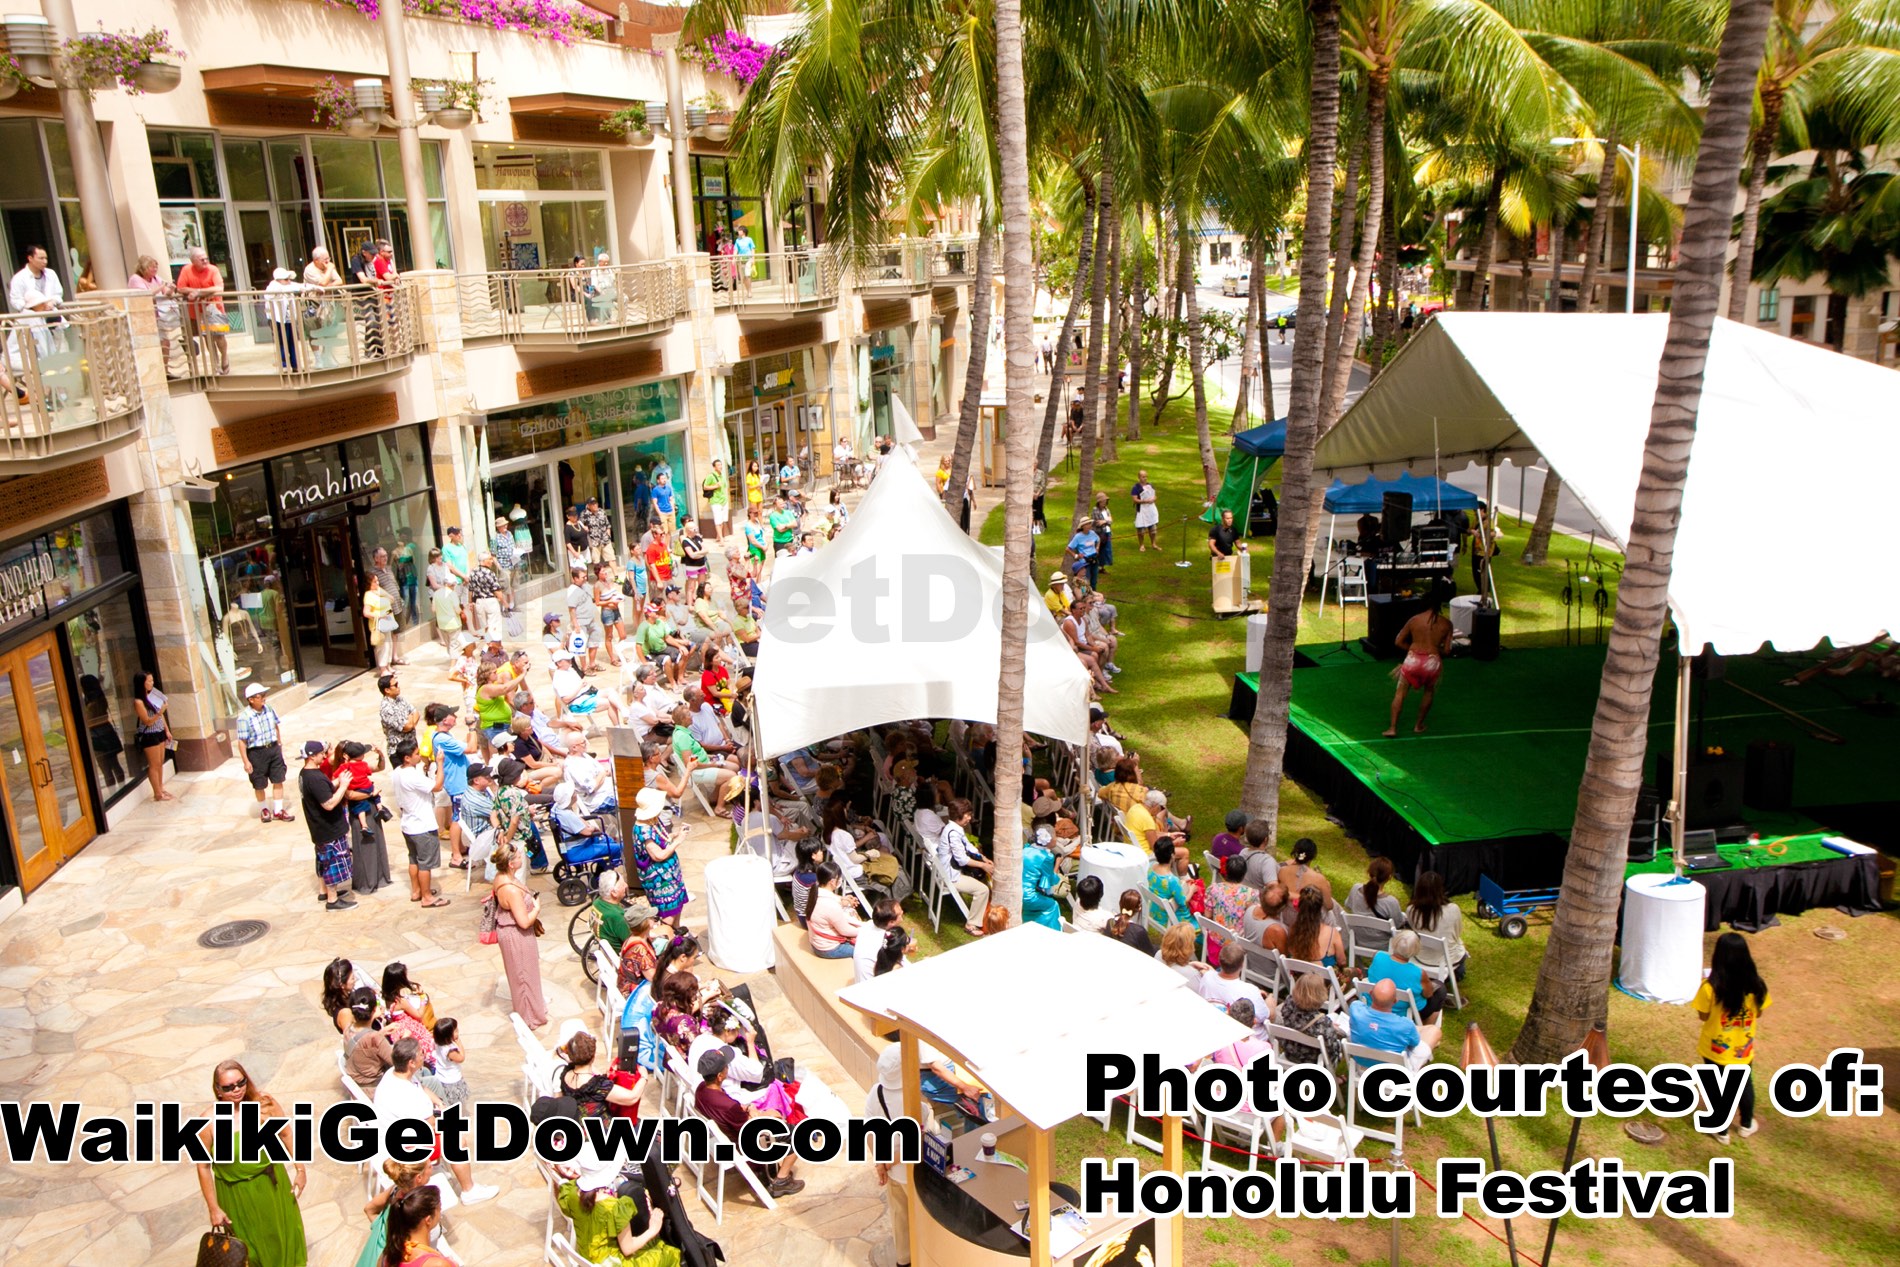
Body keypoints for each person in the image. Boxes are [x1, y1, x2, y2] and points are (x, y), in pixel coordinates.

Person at [196, 1060, 308, 1266]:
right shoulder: (208, 1122)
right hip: (235, 1194)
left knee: (280, 1239)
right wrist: (213, 1208)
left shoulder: (264, 1104)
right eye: (228, 1087)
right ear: (218, 1090)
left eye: (241, 1083)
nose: (237, 1090)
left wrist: (300, 1169)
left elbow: (286, 1134)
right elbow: (203, 1167)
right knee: (248, 1251)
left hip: (271, 1186)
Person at [695, 1047, 806, 1197]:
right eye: (726, 1066)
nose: (728, 1067)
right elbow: (749, 1130)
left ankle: (770, 1169)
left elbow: (732, 1110)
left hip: (727, 1132)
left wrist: (748, 1108)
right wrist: (766, 1115)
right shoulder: (728, 1106)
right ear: (720, 1076)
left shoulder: (701, 1090)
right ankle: (781, 1181)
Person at [1695, 932, 1770, 1143]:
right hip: (1742, 1049)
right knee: (1743, 1085)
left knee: (1715, 1087)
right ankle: (1746, 1124)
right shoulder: (1757, 986)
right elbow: (1759, 1013)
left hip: (1714, 1049)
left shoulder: (1710, 988)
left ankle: (1721, 1131)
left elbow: (1703, 1016)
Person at [488, 839, 545, 1027]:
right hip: (516, 936)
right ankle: (530, 1017)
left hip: (513, 933)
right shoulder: (511, 890)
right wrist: (536, 908)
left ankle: (533, 1010)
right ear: (511, 864)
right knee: (523, 977)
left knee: (526, 975)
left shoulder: (501, 877)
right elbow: (524, 921)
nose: (522, 857)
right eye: (519, 856)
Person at [1385, 587, 1454, 737]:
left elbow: (1398, 641)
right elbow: (1447, 650)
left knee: (1400, 693)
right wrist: (1434, 651)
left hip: (1413, 659)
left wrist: (1413, 650)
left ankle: (1392, 728)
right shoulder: (1447, 624)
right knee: (1428, 691)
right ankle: (1418, 725)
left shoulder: (1414, 620)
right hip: (1432, 662)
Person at [1349, 978, 1442, 1069]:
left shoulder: (1356, 1009)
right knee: (1435, 1031)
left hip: (1362, 1062)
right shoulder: (1405, 1026)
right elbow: (1415, 1044)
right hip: (1394, 1069)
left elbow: (1358, 1005)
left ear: (1370, 994)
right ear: (1395, 1001)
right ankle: (1413, 1071)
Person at [234, 682, 292, 823]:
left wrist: (279, 743)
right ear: (251, 700)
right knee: (259, 783)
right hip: (256, 753)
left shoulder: (269, 709)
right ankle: (264, 809)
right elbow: (242, 741)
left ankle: (278, 810)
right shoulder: (244, 717)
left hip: (273, 748)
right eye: (260, 696)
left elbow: (275, 726)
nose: (264, 698)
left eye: (264, 695)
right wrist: (246, 761)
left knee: (278, 778)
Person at [631, 787, 690, 923]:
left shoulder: (652, 820)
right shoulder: (644, 831)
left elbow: (661, 838)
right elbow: (658, 856)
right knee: (668, 913)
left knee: (677, 906)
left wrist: (674, 835)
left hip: (670, 875)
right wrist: (678, 841)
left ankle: (676, 932)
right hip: (661, 881)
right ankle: (668, 934)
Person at [936, 798, 992, 937]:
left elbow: (969, 846)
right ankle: (971, 924)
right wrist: (983, 865)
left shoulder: (955, 829)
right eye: (967, 815)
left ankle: (984, 914)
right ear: (958, 815)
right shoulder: (953, 833)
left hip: (951, 871)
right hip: (950, 876)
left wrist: (983, 858)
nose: (969, 818)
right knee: (982, 890)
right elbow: (962, 859)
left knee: (983, 880)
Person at [1367, 930, 1448, 1020]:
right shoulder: (1419, 973)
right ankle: (1425, 1026)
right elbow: (1428, 994)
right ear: (1416, 950)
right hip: (1404, 1012)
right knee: (1440, 989)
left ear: (1395, 942)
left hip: (1372, 1003)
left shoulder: (1377, 956)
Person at [175, 246, 230, 375]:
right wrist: (199, 292)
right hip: (197, 310)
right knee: (207, 337)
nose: (205, 261)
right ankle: (215, 364)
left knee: (219, 336)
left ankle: (224, 356)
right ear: (193, 261)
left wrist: (199, 292)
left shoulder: (213, 269)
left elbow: (219, 288)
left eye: (206, 258)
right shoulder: (187, 270)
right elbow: (181, 288)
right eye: (202, 259)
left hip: (215, 307)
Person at [1404, 870, 1468, 979]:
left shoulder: (1411, 910)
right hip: (1447, 961)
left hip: (1421, 958)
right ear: (1440, 889)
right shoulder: (1453, 909)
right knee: (1460, 952)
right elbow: (1457, 934)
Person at [128, 253, 183, 372]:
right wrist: (161, 286)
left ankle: (165, 370)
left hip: (158, 317)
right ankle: (153, 371)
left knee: (165, 342)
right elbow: (145, 295)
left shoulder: (156, 278)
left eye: (156, 266)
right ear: (143, 268)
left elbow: (166, 293)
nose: (155, 269)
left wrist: (171, 288)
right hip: (143, 318)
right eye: (152, 267)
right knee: (149, 345)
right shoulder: (135, 279)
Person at [1276, 972, 1346, 1066]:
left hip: (1290, 1053)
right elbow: (1331, 1051)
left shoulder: (1289, 1006)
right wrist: (1331, 1029)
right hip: (1313, 1061)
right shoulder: (1322, 1023)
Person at [1199, 938, 1272, 1023]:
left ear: (1219, 960)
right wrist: (1270, 1000)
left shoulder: (1207, 976)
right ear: (1242, 965)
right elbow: (1265, 1016)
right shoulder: (1250, 991)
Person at [1346, 857, 1407, 952]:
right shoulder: (1391, 902)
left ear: (1369, 872)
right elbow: (1398, 925)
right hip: (1383, 945)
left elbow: (1348, 905)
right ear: (1389, 877)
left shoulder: (1356, 889)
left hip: (1358, 938)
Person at [130, 670, 174, 801]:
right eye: (149, 681)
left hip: (159, 731)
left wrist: (167, 730)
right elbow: (147, 721)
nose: (151, 683)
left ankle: (161, 788)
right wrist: (160, 712)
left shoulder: (152, 696)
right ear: (142, 683)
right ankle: (157, 793)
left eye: (152, 680)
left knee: (160, 763)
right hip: (149, 735)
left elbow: (161, 717)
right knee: (154, 764)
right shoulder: (139, 702)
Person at [806, 861, 863, 960]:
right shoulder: (831, 906)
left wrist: (844, 901)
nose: (840, 880)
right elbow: (846, 931)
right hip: (830, 949)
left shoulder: (814, 893)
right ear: (832, 881)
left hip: (818, 943)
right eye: (839, 878)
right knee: (868, 949)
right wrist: (867, 930)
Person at [1285, 885, 1346, 968]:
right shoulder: (1332, 933)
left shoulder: (1292, 929)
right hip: (1323, 976)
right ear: (1320, 907)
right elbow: (1342, 961)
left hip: (1297, 975)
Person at [263, 267, 305, 370]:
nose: (289, 281)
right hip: (278, 320)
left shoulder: (288, 286)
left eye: (289, 279)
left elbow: (301, 286)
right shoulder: (273, 287)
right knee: (282, 342)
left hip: (289, 319)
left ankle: (295, 364)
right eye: (286, 279)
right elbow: (279, 291)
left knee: (292, 341)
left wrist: (315, 287)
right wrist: (298, 288)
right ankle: (284, 364)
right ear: (278, 280)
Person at [1277, 838, 1336, 910]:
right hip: (1306, 914)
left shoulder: (1282, 871)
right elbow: (1329, 906)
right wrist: (1328, 886)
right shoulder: (1319, 878)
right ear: (1313, 856)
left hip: (1284, 912)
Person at [1146, 839, 1193, 928]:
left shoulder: (1151, 868)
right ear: (1172, 855)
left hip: (1155, 911)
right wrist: (1192, 890)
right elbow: (1183, 902)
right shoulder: (1172, 880)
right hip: (1170, 917)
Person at [1241, 883, 1291, 951]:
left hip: (1248, 954)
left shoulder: (1249, 909)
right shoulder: (1278, 931)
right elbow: (1283, 955)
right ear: (1282, 907)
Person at [1066, 515, 1101, 590]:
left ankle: (1093, 592)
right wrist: (1076, 556)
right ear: (1082, 526)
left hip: (1094, 559)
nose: (1089, 525)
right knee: (1085, 580)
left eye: (1089, 523)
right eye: (1086, 524)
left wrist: (1097, 548)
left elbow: (1098, 539)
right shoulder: (1078, 537)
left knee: (1094, 580)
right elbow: (1068, 549)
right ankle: (1084, 593)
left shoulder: (1092, 533)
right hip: (1085, 561)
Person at [1132, 469, 1160, 550]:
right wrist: (1145, 501)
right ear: (1139, 477)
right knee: (1141, 530)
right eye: (1143, 477)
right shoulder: (1136, 488)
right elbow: (1135, 500)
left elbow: (1155, 496)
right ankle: (1141, 545)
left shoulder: (1150, 485)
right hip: (1141, 510)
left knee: (1153, 529)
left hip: (1151, 509)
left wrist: (1153, 499)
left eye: (1146, 477)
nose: (1145, 478)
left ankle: (1153, 544)